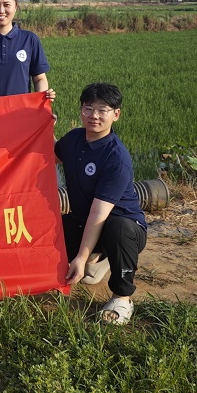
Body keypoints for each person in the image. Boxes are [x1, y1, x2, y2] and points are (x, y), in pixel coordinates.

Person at [54, 83, 146, 324]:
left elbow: (99, 214)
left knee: (117, 228)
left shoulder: (116, 158)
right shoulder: (74, 139)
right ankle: (98, 256)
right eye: (88, 108)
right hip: (83, 221)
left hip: (122, 228)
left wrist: (80, 258)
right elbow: (49, 155)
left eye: (102, 110)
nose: (93, 116)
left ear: (116, 114)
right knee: (53, 232)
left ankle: (122, 298)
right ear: (81, 110)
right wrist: (43, 124)